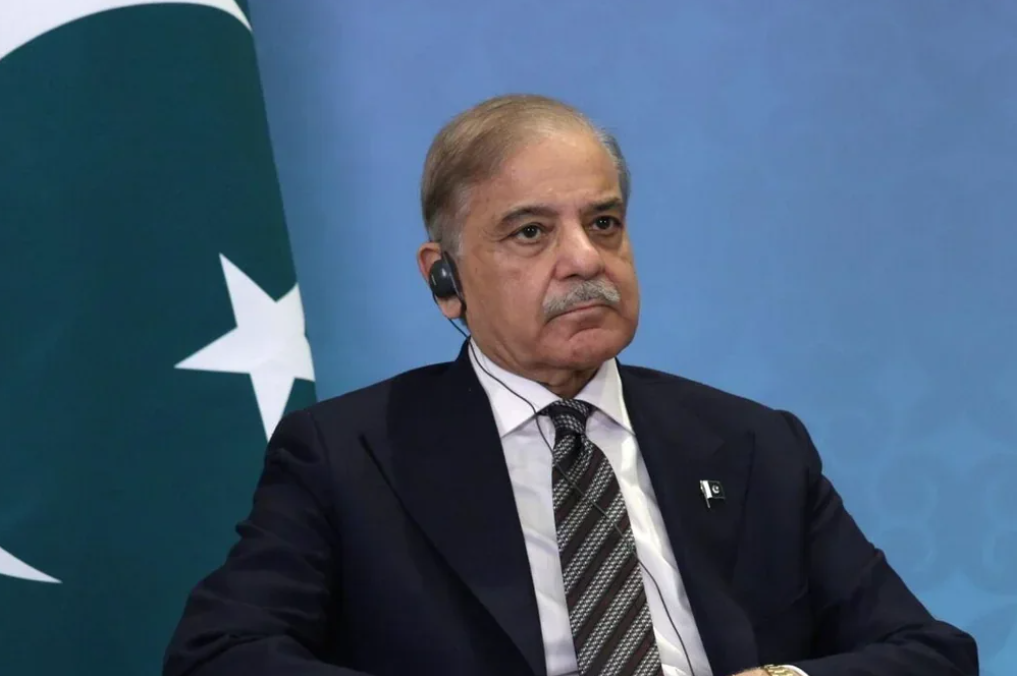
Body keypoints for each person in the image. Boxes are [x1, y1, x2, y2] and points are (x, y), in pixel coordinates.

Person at [163, 94, 978, 676]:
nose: (585, 259)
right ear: (445, 280)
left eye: (603, 222)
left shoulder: (752, 442)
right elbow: (219, 654)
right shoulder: (348, 455)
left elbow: (929, 653)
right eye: (530, 232)